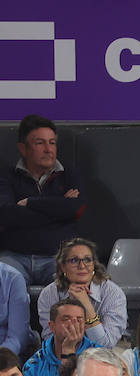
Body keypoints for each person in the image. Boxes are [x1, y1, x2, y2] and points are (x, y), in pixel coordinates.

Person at [0, 115, 83, 284]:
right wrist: (59, 207)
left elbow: (76, 209)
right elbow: (6, 214)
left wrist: (31, 203)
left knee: (70, 283)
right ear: (23, 149)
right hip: (15, 256)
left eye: (52, 143)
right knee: (4, 281)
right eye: (40, 143)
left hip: (58, 257)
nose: (48, 149)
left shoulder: (69, 175)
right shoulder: (7, 176)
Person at [37, 238, 126, 348]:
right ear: (63, 266)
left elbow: (105, 346)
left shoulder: (113, 293)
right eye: (74, 260)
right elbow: (52, 343)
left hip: (105, 358)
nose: (82, 266)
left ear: (94, 265)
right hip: (62, 357)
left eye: (87, 260)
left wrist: (86, 305)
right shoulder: (49, 294)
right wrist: (70, 305)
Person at [23, 299, 94, 376]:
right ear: (52, 327)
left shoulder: (99, 358)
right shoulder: (33, 366)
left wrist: (68, 351)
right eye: (66, 319)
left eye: (78, 320)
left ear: (84, 326)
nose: (73, 325)